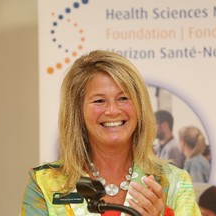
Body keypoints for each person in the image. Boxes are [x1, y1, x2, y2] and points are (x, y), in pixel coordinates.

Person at [20, 50, 202, 216]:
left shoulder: (174, 183)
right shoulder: (45, 185)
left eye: (123, 98)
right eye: (99, 101)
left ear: (140, 107)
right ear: (78, 112)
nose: (113, 110)